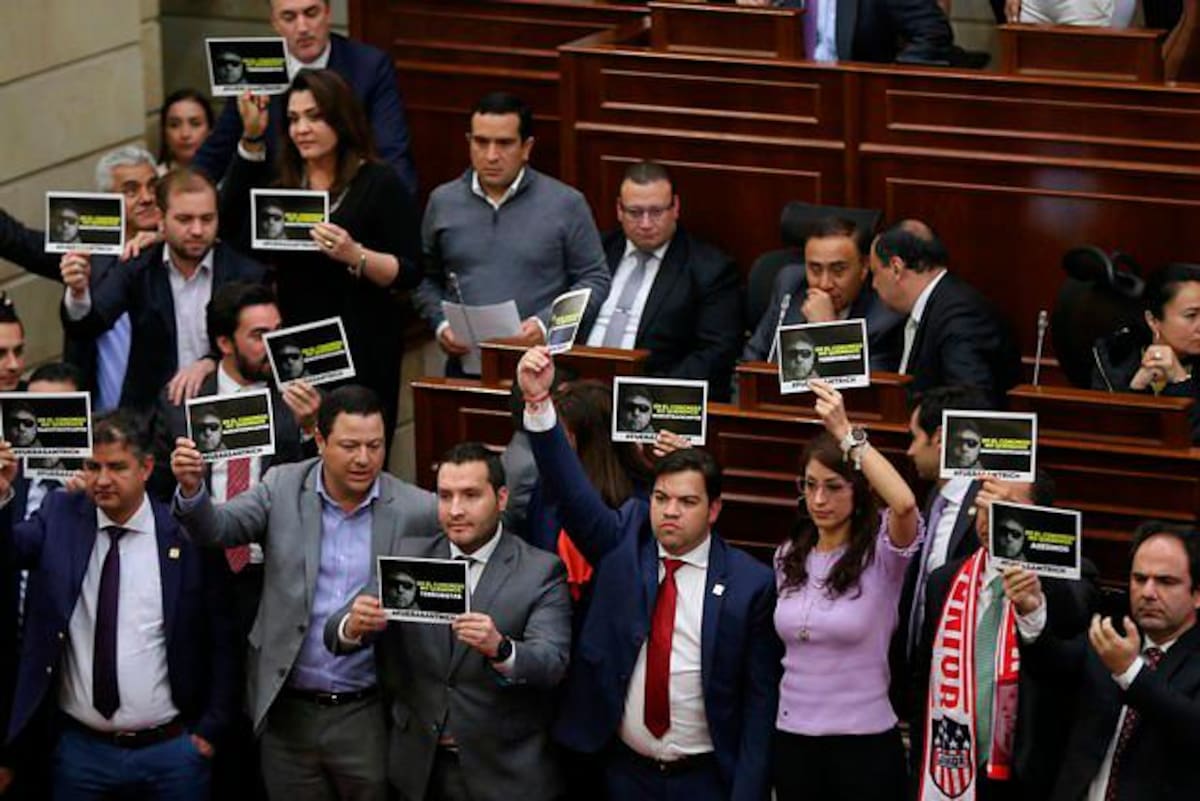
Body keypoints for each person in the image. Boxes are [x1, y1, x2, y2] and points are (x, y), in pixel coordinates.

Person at [517, 346, 781, 801]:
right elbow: (571, 491)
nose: (670, 512)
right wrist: (539, 406)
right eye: (662, 499)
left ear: (714, 509)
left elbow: (759, 708)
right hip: (622, 773)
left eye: (687, 502)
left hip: (705, 779)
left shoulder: (750, 585)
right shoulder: (626, 540)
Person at [170, 385, 438, 801]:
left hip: (367, 711)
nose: (364, 459)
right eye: (349, 445)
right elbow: (217, 529)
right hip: (286, 710)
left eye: (375, 446)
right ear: (320, 440)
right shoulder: (282, 485)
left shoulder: (416, 509)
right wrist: (191, 490)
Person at [0, 410, 237, 801]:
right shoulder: (59, 515)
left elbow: (222, 637)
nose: (102, 479)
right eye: (93, 466)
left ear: (145, 468)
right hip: (79, 752)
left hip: (173, 752)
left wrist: (209, 731)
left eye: (116, 467)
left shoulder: (182, 533)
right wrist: (3, 494)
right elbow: (8, 553)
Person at [329, 442, 571, 801]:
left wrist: (501, 649)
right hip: (419, 769)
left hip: (503, 772)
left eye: (471, 495)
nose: (455, 510)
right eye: (445, 496)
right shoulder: (408, 556)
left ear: (501, 499)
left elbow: (551, 663)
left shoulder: (540, 571)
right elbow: (334, 633)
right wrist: (353, 624)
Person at [220, 68, 422, 447]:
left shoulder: (378, 182)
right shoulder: (282, 181)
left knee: (354, 452)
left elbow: (410, 271)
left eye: (314, 117)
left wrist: (354, 254)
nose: (302, 129)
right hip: (297, 343)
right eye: (294, 119)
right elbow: (231, 226)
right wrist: (250, 139)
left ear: (340, 119)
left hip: (363, 343)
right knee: (300, 452)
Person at [772, 381, 920, 801]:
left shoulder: (884, 556)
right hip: (793, 737)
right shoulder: (787, 556)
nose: (819, 498)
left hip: (864, 744)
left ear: (857, 494)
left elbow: (905, 504)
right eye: (810, 485)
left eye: (834, 486)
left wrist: (847, 435)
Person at [913, 476, 1100, 801]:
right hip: (949, 768)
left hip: (1027, 777)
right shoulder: (943, 580)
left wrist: (1034, 565)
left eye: (1007, 508)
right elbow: (922, 681)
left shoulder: (1073, 577)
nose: (992, 519)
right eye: (985, 506)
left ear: (1040, 516)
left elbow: (1072, 621)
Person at [414, 92, 610, 375]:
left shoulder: (566, 203)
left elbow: (595, 279)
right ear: (469, 143)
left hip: (543, 369)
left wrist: (547, 324)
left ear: (526, 147)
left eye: (504, 143)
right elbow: (424, 279)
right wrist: (441, 324)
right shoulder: (442, 202)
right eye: (481, 142)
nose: (491, 155)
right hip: (466, 369)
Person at [1019, 521, 1200, 800]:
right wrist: (1032, 612)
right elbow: (1053, 667)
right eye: (1139, 579)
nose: (1148, 593)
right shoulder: (1112, 633)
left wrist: (1131, 672)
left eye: (1166, 582)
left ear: (1197, 594)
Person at [61, 167, 266, 413]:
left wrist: (212, 362)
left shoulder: (246, 273)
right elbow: (89, 325)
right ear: (160, 218)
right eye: (184, 219)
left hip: (227, 413)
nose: (198, 230)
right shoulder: (138, 267)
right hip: (150, 419)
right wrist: (78, 292)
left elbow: (261, 348)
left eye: (207, 219)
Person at [192, 0, 418, 200]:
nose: (302, 28)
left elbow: (392, 153)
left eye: (311, 13)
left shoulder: (368, 67)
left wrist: (396, 211)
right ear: (274, 23)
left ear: (328, 13)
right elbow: (215, 154)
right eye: (289, 17)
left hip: (349, 208)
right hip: (273, 214)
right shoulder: (253, 67)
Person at [0, 145, 162, 409]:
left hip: (159, 418)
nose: (147, 198)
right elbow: (16, 241)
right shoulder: (83, 252)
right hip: (94, 416)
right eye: (131, 190)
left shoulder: (176, 250)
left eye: (153, 186)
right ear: (107, 200)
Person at [0, 360, 85, 800]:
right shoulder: (7, 480)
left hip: (79, 677)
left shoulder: (99, 483)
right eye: (40, 412)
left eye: (63, 412)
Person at [588, 161, 741, 399]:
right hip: (578, 391)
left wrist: (651, 396)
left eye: (656, 212)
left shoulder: (710, 269)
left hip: (652, 398)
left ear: (675, 208)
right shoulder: (595, 251)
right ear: (619, 209)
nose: (646, 224)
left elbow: (716, 353)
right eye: (635, 213)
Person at [894, 386, 993, 714]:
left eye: (914, 437)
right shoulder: (935, 499)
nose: (909, 451)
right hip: (923, 677)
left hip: (965, 685)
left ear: (939, 438)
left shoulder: (987, 505)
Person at [869, 219, 1020, 408]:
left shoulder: (961, 317)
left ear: (896, 268)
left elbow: (971, 402)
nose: (873, 285)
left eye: (875, 273)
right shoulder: (932, 306)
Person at [743, 216, 905, 371]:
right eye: (815, 269)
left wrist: (827, 330)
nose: (824, 283)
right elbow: (753, 357)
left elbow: (865, 392)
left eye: (838, 270)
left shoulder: (885, 319)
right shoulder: (791, 283)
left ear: (864, 267)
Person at [1092, 263, 1200, 441]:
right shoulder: (1115, 357)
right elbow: (1111, 439)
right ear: (1153, 320)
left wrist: (1181, 382)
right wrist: (1136, 388)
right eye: (1191, 316)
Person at [731, 0, 954, 63]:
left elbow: (933, 32)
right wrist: (757, 16)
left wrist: (886, 83)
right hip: (791, 100)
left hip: (854, 106)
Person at [158, 89, 215, 173]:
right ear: (165, 132)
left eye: (195, 124)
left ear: (210, 130)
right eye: (174, 125)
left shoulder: (230, 177)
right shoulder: (154, 180)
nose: (185, 134)